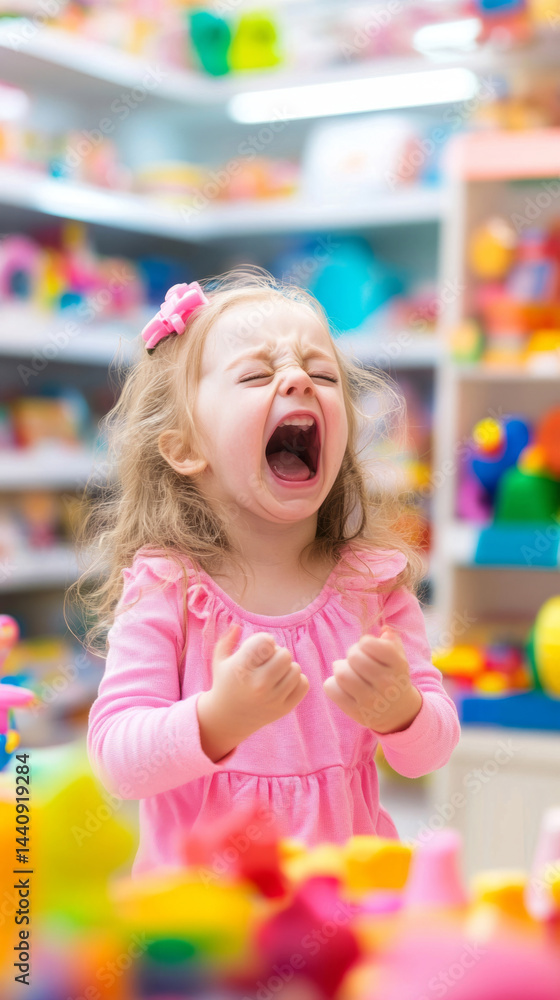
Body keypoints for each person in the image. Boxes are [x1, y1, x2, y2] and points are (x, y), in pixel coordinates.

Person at [78, 266, 460, 877]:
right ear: (182, 447)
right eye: (256, 374)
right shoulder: (168, 588)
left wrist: (402, 711)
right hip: (206, 919)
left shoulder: (372, 586)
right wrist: (218, 718)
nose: (298, 381)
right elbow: (117, 762)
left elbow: (430, 752)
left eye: (323, 373)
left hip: (343, 909)